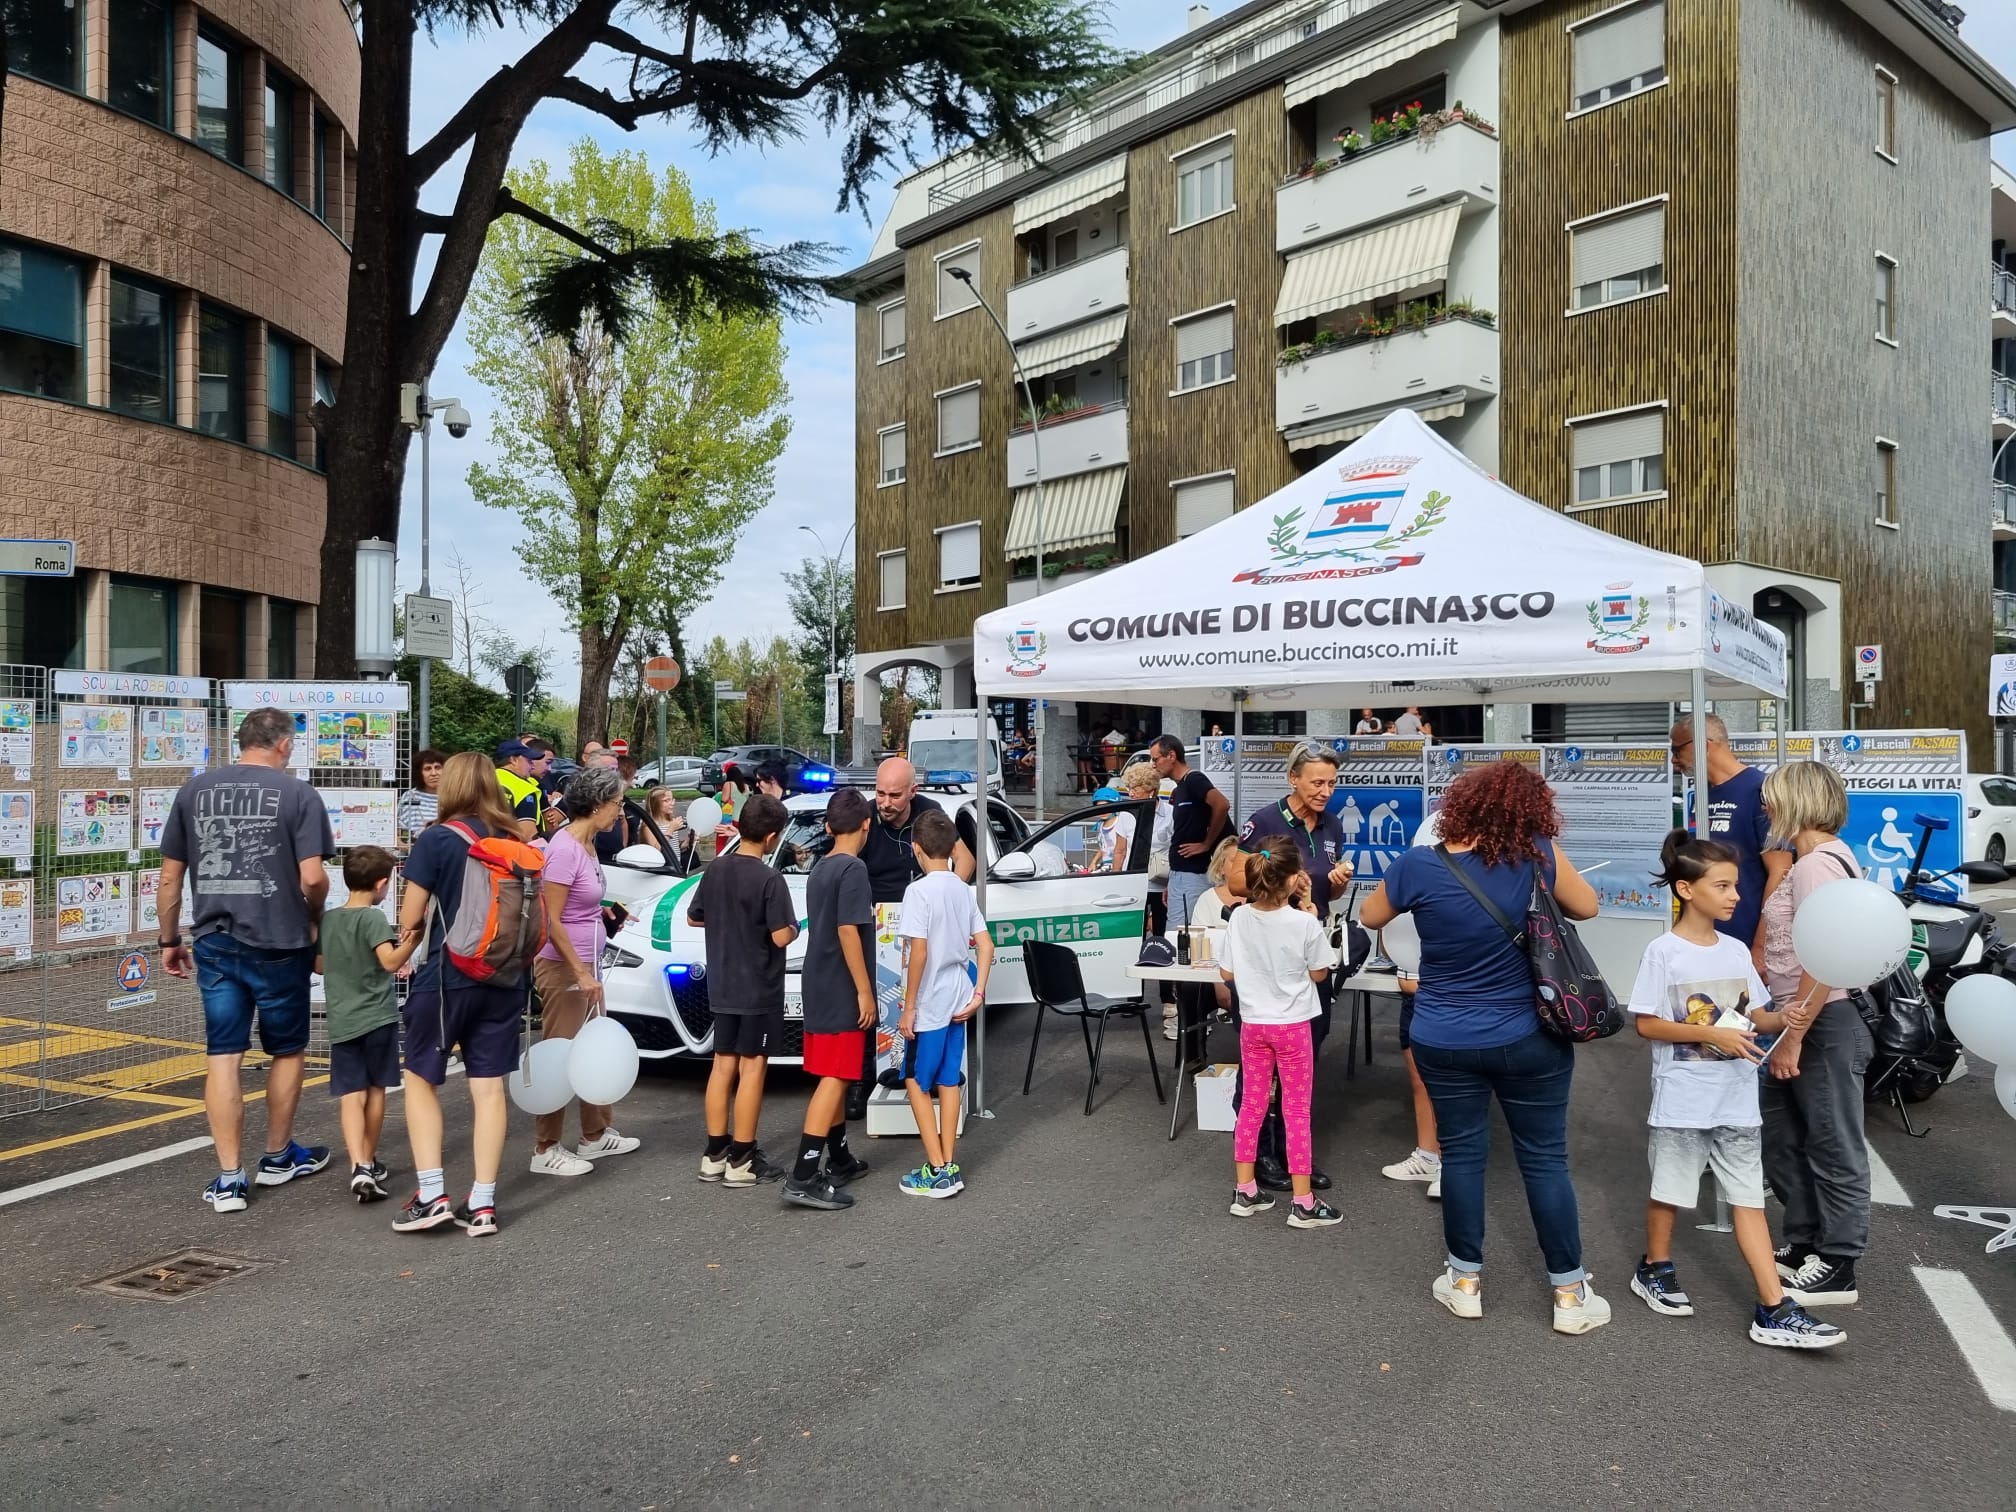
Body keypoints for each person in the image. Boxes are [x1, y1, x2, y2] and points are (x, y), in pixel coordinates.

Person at [1359, 758, 1610, 1335]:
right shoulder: (1538, 855)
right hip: (1529, 1035)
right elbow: (1588, 906)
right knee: (1545, 1160)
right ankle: (1569, 1294)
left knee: (1463, 1156)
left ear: (1461, 805)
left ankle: (1465, 1281)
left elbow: (1373, 914)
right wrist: (1539, 849)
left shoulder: (1419, 863)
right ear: (1532, 811)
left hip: (1441, 1035)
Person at [1627, 830, 1845, 1349]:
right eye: (1723, 886)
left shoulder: (1733, 951)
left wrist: (1782, 1017)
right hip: (1683, 1097)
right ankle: (1655, 1267)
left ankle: (1773, 1307)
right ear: (1685, 890)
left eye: (1735, 885)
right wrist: (1710, 1033)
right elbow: (1647, 1025)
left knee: (1749, 1198)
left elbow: (1755, 1017)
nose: (1736, 896)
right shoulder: (1664, 952)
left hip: (1737, 1100)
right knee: (1670, 1192)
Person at [158, 707, 335, 1214]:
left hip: (214, 938)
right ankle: (278, 1156)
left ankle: (231, 1177)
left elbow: (171, 877)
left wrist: (170, 940)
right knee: (287, 1050)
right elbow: (314, 877)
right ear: (283, 745)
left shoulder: (194, 792)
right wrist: (314, 914)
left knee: (223, 1055)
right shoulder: (299, 794)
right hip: (281, 940)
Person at [392, 752, 533, 1237]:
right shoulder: (515, 839)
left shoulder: (436, 839)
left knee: (420, 1079)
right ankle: (485, 1203)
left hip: (447, 979)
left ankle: (432, 1194)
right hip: (504, 977)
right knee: (489, 1088)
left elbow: (411, 918)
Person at [1758, 759, 1870, 1308]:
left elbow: (1825, 957)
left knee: (1830, 1140)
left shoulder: (1814, 866)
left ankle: (1838, 1261)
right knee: (1787, 1135)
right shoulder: (1822, 859)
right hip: (1802, 1017)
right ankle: (1805, 1241)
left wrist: (1794, 1036)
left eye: (1772, 798)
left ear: (1795, 802)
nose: (1766, 808)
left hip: (1818, 1020)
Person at [1226, 743, 1352, 1191]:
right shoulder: (1264, 821)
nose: (1326, 791)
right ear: (1293, 778)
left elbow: (1324, 895)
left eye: (1332, 783)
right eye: (1317, 782)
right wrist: (1286, 880)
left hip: (1307, 961)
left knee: (1302, 1068)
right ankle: (1261, 1157)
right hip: (1269, 969)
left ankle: (1293, 1155)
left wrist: (1335, 883)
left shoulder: (1334, 824)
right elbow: (1235, 880)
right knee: (1259, 1074)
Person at [1220, 839, 1342, 1229]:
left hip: (1254, 1024)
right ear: (1293, 880)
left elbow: (1226, 973)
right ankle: (1303, 1202)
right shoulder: (1304, 922)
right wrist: (1309, 911)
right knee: (1296, 1110)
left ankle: (1246, 1191)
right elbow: (1321, 972)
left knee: (1252, 1106)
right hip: (1293, 1026)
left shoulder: (1238, 917)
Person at [530, 765, 642, 1176]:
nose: (620, 812)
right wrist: (578, 971)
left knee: (593, 1048)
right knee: (560, 1053)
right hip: (565, 968)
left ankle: (595, 1134)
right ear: (596, 805)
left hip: (586, 965)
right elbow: (551, 919)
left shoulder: (587, 845)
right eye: (617, 804)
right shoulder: (563, 849)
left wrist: (606, 914)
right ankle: (545, 1147)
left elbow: (581, 905)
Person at [688, 793, 799, 1186]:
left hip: (722, 983)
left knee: (722, 1065)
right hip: (757, 987)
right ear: (772, 838)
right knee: (753, 1068)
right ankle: (743, 1157)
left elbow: (693, 917)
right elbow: (782, 936)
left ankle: (714, 1152)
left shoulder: (715, 869)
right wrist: (798, 925)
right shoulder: (770, 878)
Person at [785, 787, 878, 1210]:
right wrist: (864, 990)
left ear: (826, 827)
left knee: (829, 1070)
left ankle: (838, 1157)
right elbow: (847, 930)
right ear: (866, 825)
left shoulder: (821, 867)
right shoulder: (853, 869)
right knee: (837, 1076)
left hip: (816, 979)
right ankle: (803, 1174)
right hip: (842, 984)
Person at [315, 845, 422, 1203]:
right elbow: (390, 963)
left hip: (342, 1017)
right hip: (377, 1016)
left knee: (351, 1094)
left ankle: (358, 1164)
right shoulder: (374, 919)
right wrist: (412, 943)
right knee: (376, 1091)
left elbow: (319, 966)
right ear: (380, 883)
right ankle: (369, 1163)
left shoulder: (330, 919)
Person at [896, 809, 993, 1198]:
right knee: (949, 1079)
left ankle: (938, 1169)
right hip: (959, 995)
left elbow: (917, 953)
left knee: (916, 1081)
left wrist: (908, 1006)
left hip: (931, 1002)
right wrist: (978, 994)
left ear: (916, 849)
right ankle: (948, 1163)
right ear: (952, 848)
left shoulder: (917, 892)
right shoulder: (958, 887)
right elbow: (985, 945)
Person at [1671, 713, 1792, 971]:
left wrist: (1761, 946)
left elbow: (1780, 873)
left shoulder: (1761, 791)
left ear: (1703, 744)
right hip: (1703, 941)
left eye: (1676, 749)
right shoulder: (1702, 795)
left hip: (1745, 941)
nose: (1673, 760)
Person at [1382, 815, 1444, 1200]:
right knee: (1421, 1081)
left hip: (1453, 1000)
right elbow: (1383, 928)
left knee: (1453, 1087)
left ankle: (1452, 1165)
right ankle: (1428, 1156)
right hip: (1417, 995)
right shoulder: (1412, 880)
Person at [1152, 735, 1230, 930]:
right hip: (1180, 873)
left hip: (1194, 873)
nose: (1153, 765)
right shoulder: (1180, 789)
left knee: (1185, 932)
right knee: (1177, 931)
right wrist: (1172, 880)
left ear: (1171, 755)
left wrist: (1206, 843)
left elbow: (1222, 804)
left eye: (1156, 759)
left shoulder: (1194, 779)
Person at [494, 739, 543, 841]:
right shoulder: (524, 788)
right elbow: (528, 834)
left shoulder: (485, 779)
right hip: (509, 851)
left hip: (477, 847)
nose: (532, 766)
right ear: (514, 760)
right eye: (529, 761)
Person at [399, 747, 445, 838]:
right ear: (419, 773)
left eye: (438, 767)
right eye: (427, 769)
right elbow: (400, 831)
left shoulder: (455, 796)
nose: (434, 773)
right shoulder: (410, 796)